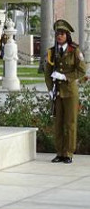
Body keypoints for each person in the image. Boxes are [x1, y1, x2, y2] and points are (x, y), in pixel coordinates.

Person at [44, 19, 86, 164]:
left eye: (62, 33)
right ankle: (60, 152)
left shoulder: (74, 50)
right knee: (58, 123)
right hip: (57, 92)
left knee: (70, 123)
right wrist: (50, 90)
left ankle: (68, 153)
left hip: (70, 92)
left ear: (67, 35)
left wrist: (65, 76)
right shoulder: (52, 51)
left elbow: (81, 70)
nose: (59, 36)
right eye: (57, 33)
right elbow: (47, 72)